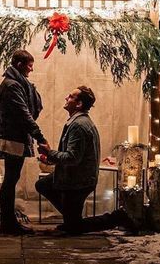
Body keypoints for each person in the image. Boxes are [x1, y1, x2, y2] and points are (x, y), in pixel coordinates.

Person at [0, 49, 47, 235]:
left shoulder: (16, 83)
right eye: (29, 65)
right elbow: (24, 114)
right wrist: (40, 137)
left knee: (11, 179)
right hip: (13, 138)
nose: (31, 69)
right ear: (19, 65)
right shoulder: (12, 86)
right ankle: (8, 223)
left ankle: (8, 222)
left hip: (14, 137)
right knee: (10, 180)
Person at [35, 86, 100, 235]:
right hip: (74, 176)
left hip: (78, 181)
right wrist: (50, 156)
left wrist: (50, 153)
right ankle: (71, 217)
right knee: (43, 184)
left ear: (79, 104)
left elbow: (72, 158)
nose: (66, 98)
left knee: (75, 227)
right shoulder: (78, 122)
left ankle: (118, 217)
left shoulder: (78, 125)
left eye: (70, 96)